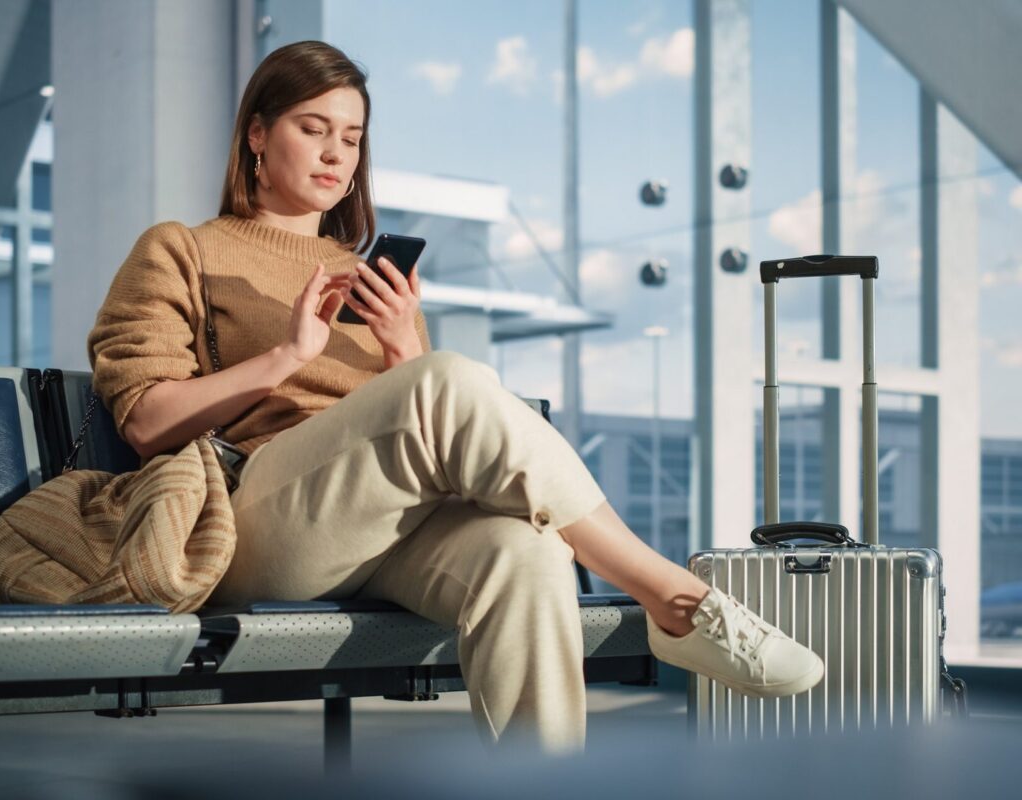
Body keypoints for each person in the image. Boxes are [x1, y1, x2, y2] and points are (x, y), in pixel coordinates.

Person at [87, 40, 824, 754]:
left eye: (351, 136)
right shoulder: (182, 249)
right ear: (256, 134)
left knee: (525, 555)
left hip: (381, 527)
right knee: (449, 381)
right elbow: (148, 422)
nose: (335, 153)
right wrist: (288, 355)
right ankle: (674, 596)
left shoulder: (365, 274)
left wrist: (404, 344)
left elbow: (418, 426)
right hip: (255, 520)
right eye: (312, 129)